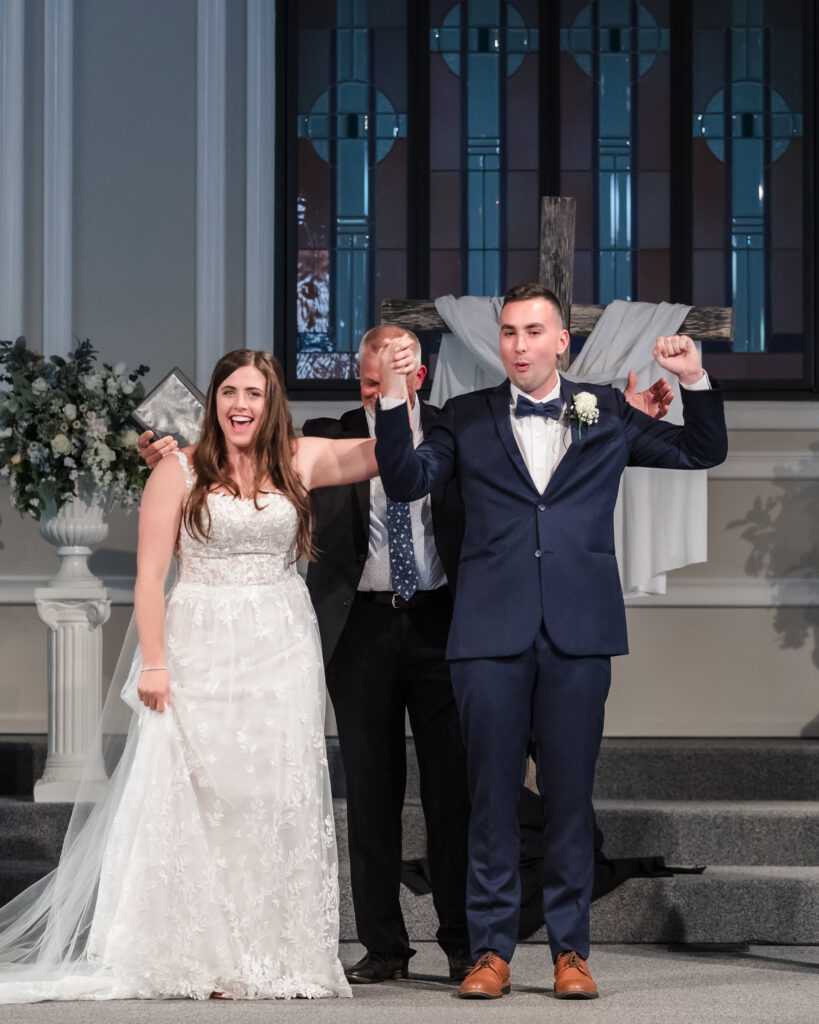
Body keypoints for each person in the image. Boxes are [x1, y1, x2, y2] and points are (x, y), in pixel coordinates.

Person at [373, 282, 728, 1001]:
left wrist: (692, 378)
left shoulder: (603, 410)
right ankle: (491, 953)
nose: (518, 345)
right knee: (490, 799)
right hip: (486, 633)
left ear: (560, 341)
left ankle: (571, 952)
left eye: (533, 332)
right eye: (508, 333)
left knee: (569, 798)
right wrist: (388, 397)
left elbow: (701, 452)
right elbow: (407, 477)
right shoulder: (464, 417)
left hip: (577, 630)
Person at [0, 349, 379, 1002]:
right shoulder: (176, 469)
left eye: (254, 393)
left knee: (271, 792)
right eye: (229, 391)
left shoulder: (301, 457)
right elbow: (150, 576)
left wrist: (397, 386)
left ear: (272, 402)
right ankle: (198, 949)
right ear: (214, 401)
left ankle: (269, 952)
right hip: (199, 642)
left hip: (280, 643)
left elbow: (387, 453)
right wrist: (153, 661)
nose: (241, 404)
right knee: (201, 793)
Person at [302, 326, 472, 984]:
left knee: (449, 794)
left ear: (419, 381)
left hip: (442, 624)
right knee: (370, 792)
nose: (372, 395)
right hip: (361, 629)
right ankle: (383, 945)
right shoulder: (330, 433)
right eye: (366, 382)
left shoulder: (453, 433)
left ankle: (460, 942)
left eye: (388, 384)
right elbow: (249, 457)